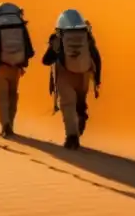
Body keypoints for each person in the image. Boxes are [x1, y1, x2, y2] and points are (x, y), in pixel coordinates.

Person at [42, 9, 102, 150]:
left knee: (68, 105)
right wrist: (97, 79)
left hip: (64, 76)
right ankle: (80, 120)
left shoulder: (58, 38)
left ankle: (72, 137)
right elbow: (96, 58)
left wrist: (55, 50)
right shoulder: (86, 37)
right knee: (79, 104)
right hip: (84, 76)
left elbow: (46, 60)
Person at [0, 2, 35, 137]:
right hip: (15, 69)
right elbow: (30, 51)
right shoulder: (21, 27)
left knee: (3, 98)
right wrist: (21, 61)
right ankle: (10, 124)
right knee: (12, 97)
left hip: (0, 68)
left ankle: (5, 125)